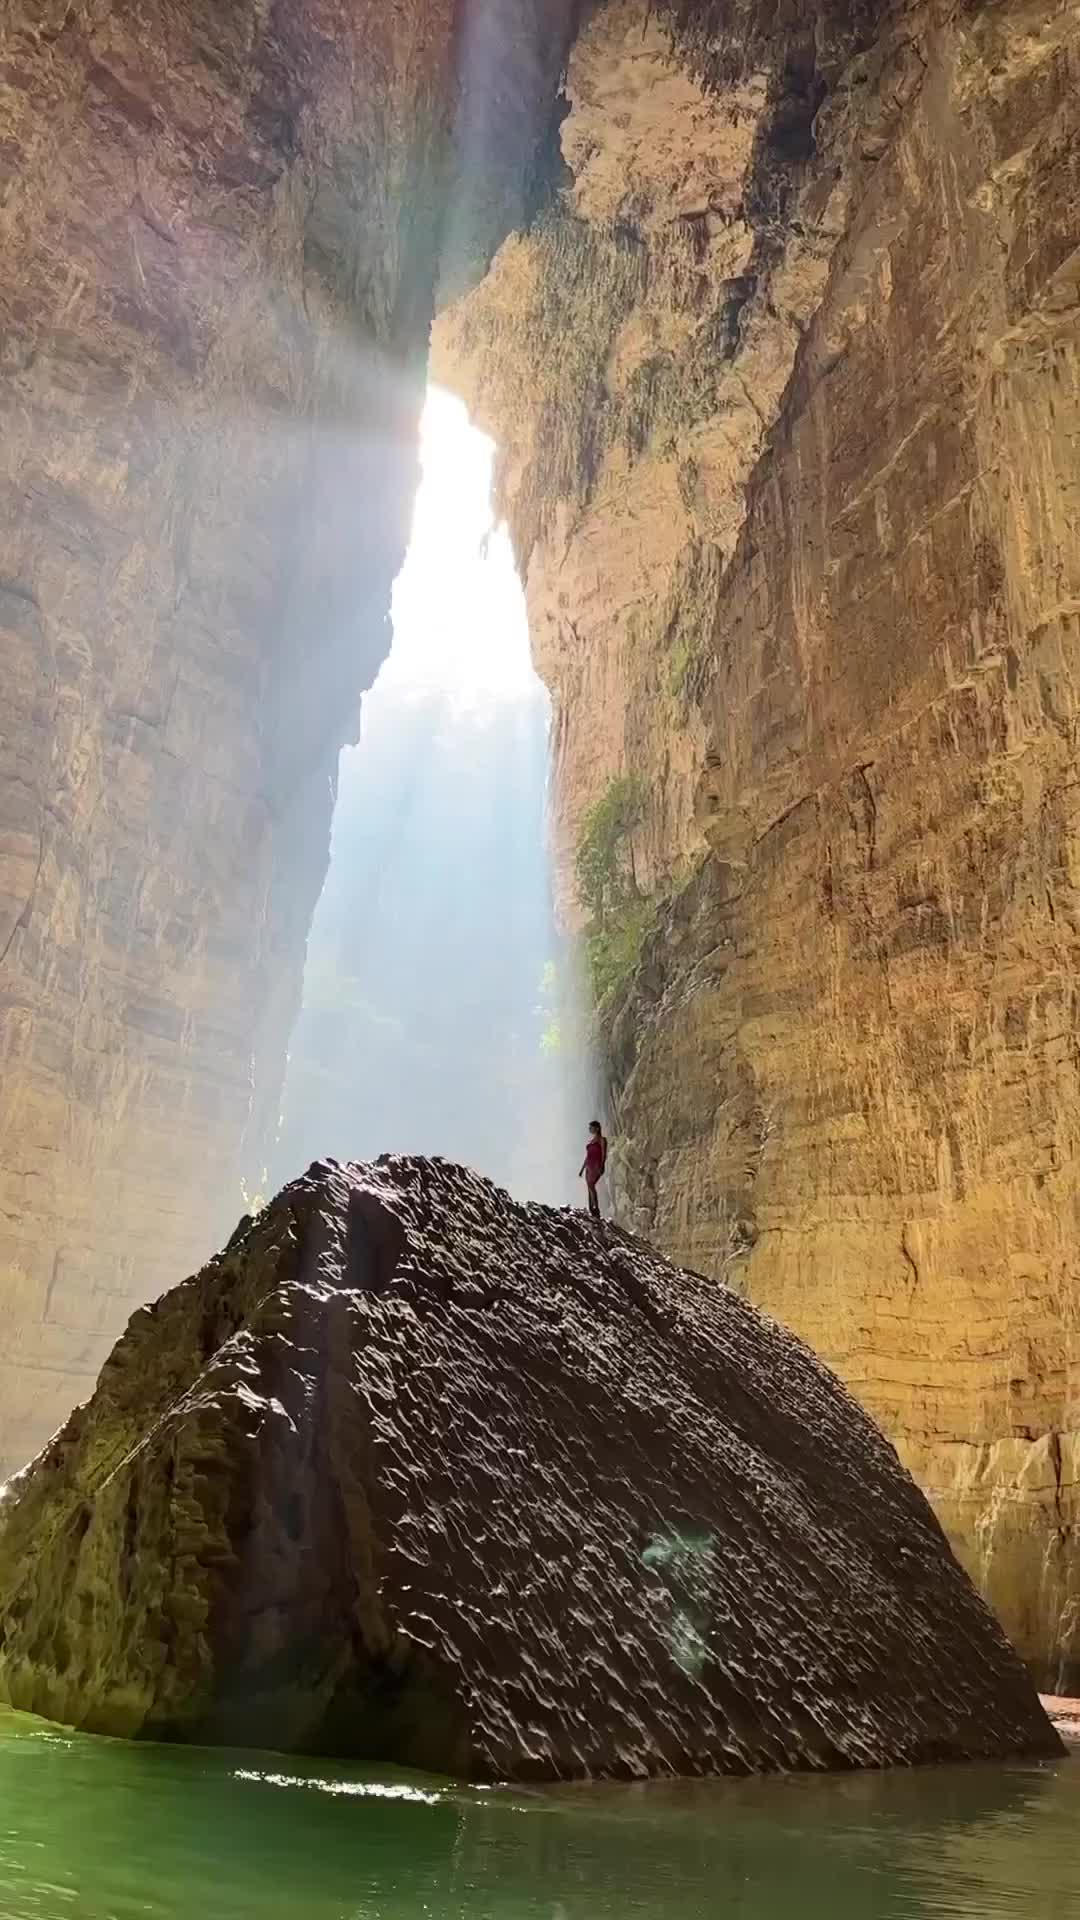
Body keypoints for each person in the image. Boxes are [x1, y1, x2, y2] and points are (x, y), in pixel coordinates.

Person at [579, 1120, 608, 1219]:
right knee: (589, 1187)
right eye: (589, 1128)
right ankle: (591, 1209)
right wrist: (582, 1169)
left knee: (591, 1185)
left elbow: (604, 1154)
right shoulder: (591, 1141)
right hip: (589, 1167)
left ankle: (596, 1209)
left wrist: (602, 1165)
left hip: (596, 1166)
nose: (589, 1129)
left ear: (597, 1128)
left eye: (591, 1127)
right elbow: (587, 1157)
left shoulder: (602, 1140)